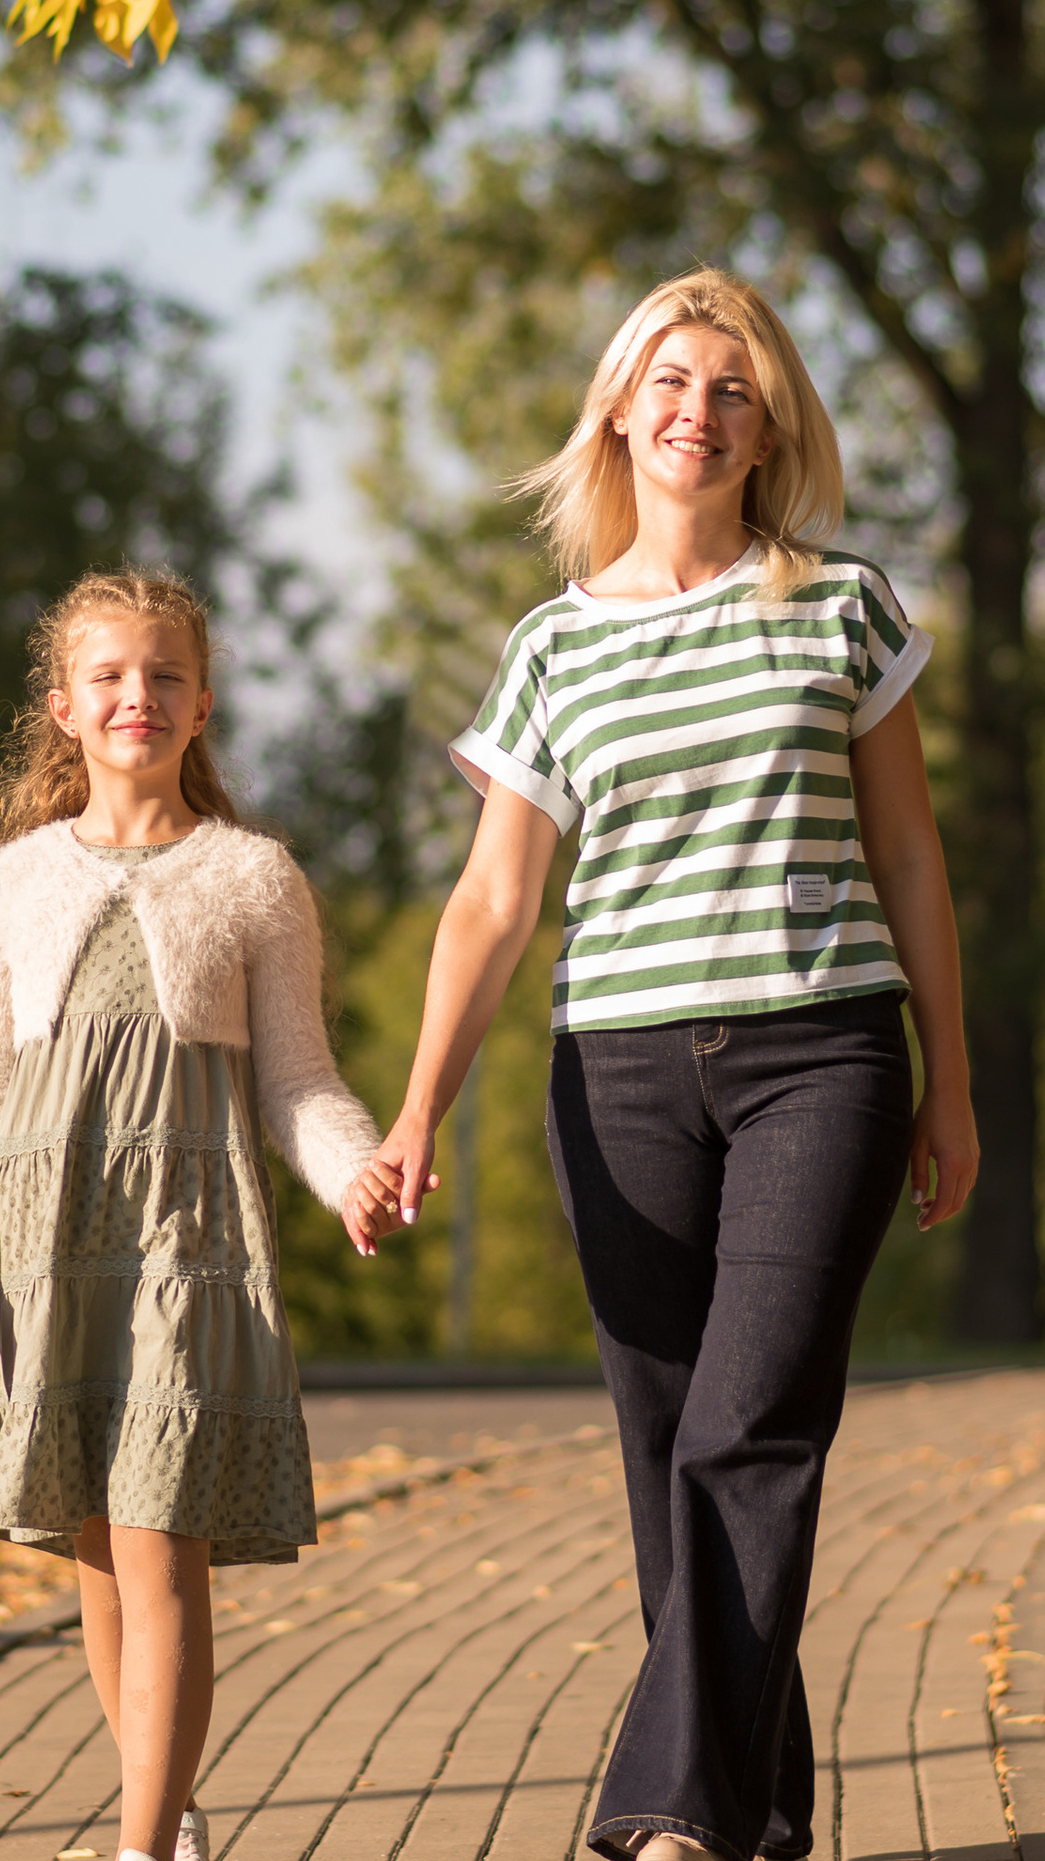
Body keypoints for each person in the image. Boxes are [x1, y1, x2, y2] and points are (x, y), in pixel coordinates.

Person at [351, 268, 981, 1861]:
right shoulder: (553, 647)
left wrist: (951, 1081)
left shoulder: (841, 604)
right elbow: (497, 898)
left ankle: (661, 1820)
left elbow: (911, 858)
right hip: (617, 1080)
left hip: (819, 1056)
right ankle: (756, 1821)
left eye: (735, 389)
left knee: (746, 1428)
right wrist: (418, 1106)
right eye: (673, 380)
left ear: (771, 432)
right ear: (621, 408)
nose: (700, 409)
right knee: (665, 1455)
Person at [0, 567, 393, 1861]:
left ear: (203, 705)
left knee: (160, 1537)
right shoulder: (7, 888)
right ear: (64, 707)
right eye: (112, 676)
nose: (140, 695)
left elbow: (298, 1081)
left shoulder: (253, 878)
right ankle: (167, 1811)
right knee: (98, 1553)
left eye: (165, 675)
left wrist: (355, 1170)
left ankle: (137, 1853)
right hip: (46, 1249)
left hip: (192, 1240)